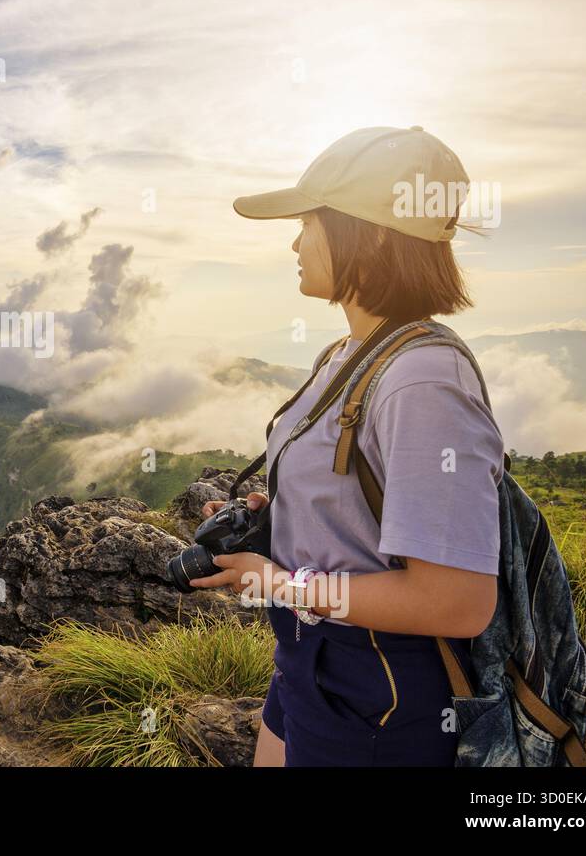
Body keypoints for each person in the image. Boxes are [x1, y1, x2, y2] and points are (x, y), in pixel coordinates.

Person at [188, 126, 504, 766]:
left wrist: (279, 584)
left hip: (384, 695)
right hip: (311, 662)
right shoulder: (347, 355)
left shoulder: (422, 382)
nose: (295, 240)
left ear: (375, 233)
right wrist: (285, 512)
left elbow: (458, 602)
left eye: (310, 221)